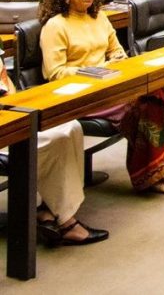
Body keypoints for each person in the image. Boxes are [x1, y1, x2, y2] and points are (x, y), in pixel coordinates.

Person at [39, 0, 164, 193]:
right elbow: (55, 73)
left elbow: (116, 50)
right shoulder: (55, 26)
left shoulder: (99, 17)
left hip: (113, 86)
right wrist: (96, 70)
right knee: (154, 101)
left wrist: (117, 60)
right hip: (82, 96)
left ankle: (160, 172)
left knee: (155, 95)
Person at [0, 56, 108, 246]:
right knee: (56, 139)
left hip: (11, 113)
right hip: (6, 128)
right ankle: (67, 223)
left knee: (71, 126)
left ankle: (50, 209)